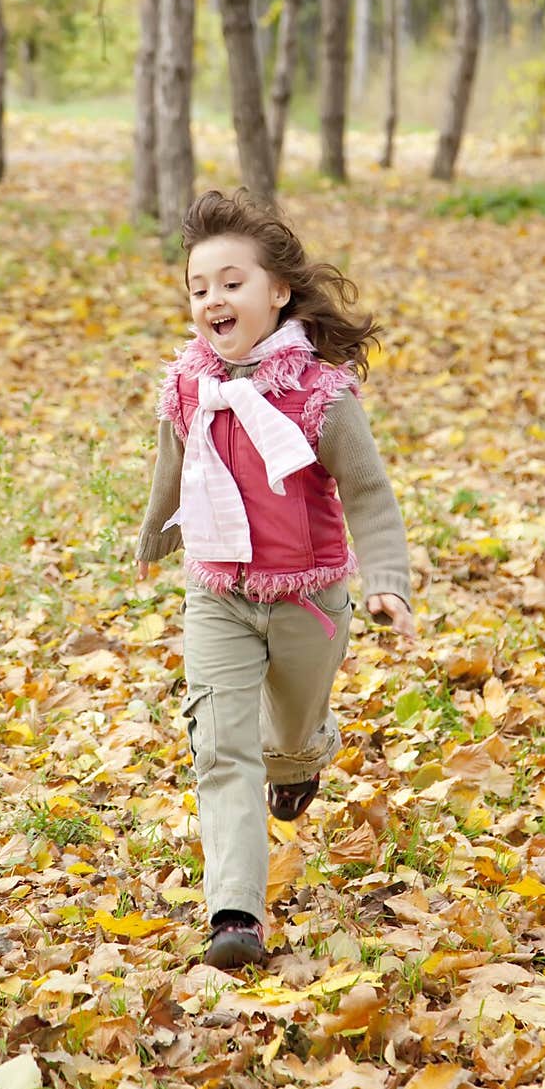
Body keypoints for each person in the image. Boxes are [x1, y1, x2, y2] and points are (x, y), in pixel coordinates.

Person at [135, 188, 415, 970]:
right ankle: (236, 914)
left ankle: (301, 759)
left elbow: (368, 492)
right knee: (223, 748)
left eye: (231, 282)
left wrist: (388, 578)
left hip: (309, 601)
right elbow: (174, 463)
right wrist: (157, 529)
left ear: (278, 291)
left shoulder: (319, 396)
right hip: (218, 591)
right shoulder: (190, 382)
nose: (212, 300)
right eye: (198, 288)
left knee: (286, 736)